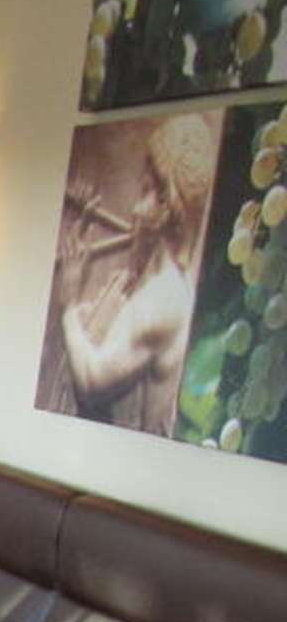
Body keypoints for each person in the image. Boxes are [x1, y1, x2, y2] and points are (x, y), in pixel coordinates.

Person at [55, 112, 218, 436]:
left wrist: (68, 304)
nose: (134, 210)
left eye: (145, 192)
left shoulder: (162, 299)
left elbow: (90, 381)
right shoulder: (157, 282)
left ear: (166, 206)